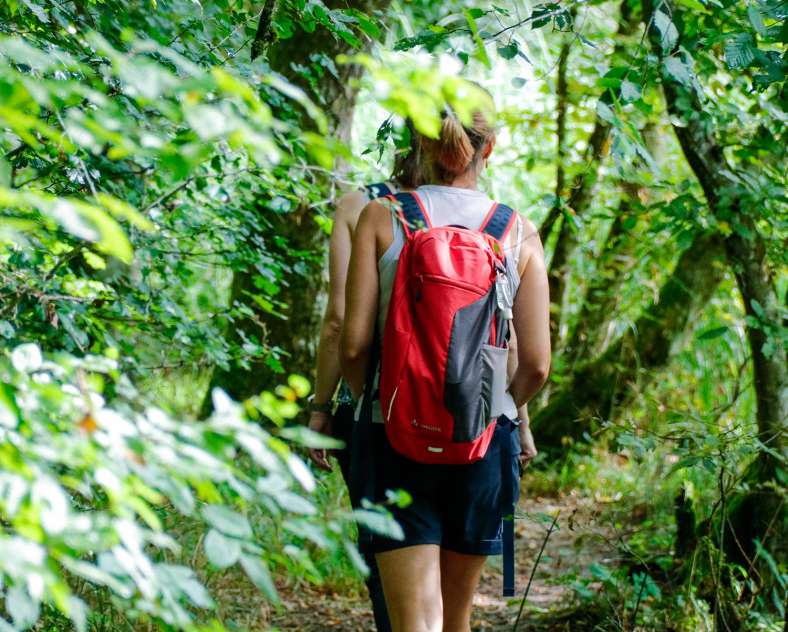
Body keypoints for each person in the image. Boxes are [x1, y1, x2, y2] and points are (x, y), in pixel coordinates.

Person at [340, 103, 550, 632]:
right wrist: (503, 410)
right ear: (490, 147)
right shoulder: (517, 231)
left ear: (423, 145)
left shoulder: (382, 217)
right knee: (454, 621)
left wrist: (376, 403)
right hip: (481, 441)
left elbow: (352, 345)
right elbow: (538, 365)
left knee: (414, 623)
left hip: (393, 437)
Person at [306, 120, 423, 632]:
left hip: (378, 407)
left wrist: (323, 408)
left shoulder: (361, 206)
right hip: (464, 414)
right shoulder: (481, 213)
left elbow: (338, 320)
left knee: (386, 555)